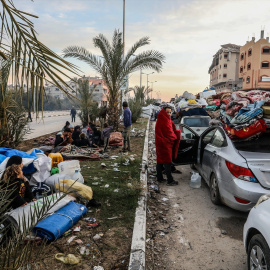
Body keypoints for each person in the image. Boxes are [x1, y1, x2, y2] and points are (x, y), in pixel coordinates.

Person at [155, 105, 181, 186]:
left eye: (170, 112)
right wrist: (175, 136)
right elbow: (169, 133)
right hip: (164, 144)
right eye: (167, 112)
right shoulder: (164, 120)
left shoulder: (163, 118)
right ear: (164, 112)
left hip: (160, 143)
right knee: (167, 162)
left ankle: (159, 178)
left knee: (160, 161)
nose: (169, 114)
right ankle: (170, 180)